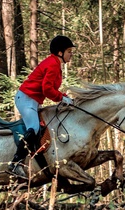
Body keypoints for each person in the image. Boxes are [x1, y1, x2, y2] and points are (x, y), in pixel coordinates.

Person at [9, 35, 76, 177]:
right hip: (26, 99)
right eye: (69, 51)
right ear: (60, 52)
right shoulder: (52, 64)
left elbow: (49, 87)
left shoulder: (55, 64)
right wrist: (60, 98)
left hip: (32, 100)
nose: (71, 54)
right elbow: (47, 89)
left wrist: (63, 96)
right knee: (33, 128)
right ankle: (15, 164)